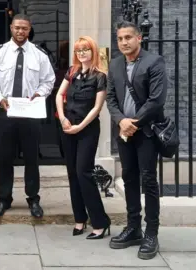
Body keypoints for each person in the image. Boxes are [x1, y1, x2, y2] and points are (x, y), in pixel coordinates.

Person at [0, 13, 55, 218]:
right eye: (17, 28)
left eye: (24, 28)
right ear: (11, 28)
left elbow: (49, 80)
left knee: (31, 157)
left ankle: (33, 199)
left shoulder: (39, 54)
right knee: (4, 157)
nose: (20, 31)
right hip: (6, 111)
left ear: (29, 29)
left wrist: (39, 94)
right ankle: (4, 199)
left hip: (30, 112)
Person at [106, 21, 167, 260]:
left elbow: (156, 100)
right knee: (129, 178)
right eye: (120, 38)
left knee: (148, 181)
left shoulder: (154, 62)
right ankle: (134, 228)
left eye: (128, 37)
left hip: (147, 132)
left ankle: (152, 232)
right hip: (124, 131)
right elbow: (111, 99)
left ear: (139, 38)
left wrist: (134, 123)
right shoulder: (115, 65)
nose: (124, 42)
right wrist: (122, 121)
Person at [55, 36, 111, 239]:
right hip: (68, 128)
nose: (82, 53)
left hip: (86, 129)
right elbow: (59, 96)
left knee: (83, 173)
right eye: (79, 50)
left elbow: (97, 108)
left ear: (93, 51)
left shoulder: (100, 76)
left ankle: (100, 222)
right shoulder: (71, 72)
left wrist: (80, 126)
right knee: (72, 174)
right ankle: (80, 219)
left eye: (85, 49)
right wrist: (62, 119)